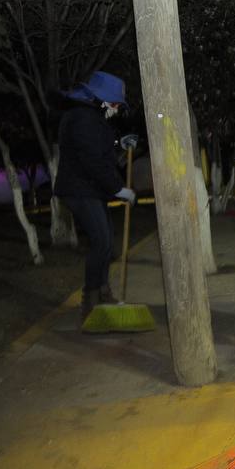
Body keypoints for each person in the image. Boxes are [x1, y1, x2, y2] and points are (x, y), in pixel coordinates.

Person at [53, 70, 137, 320]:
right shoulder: (83, 117)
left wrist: (118, 146)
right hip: (80, 189)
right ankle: (90, 301)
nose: (115, 109)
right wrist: (119, 189)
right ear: (100, 100)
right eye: (114, 104)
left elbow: (98, 148)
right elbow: (91, 160)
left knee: (106, 241)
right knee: (101, 240)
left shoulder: (90, 116)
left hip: (89, 189)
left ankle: (102, 291)